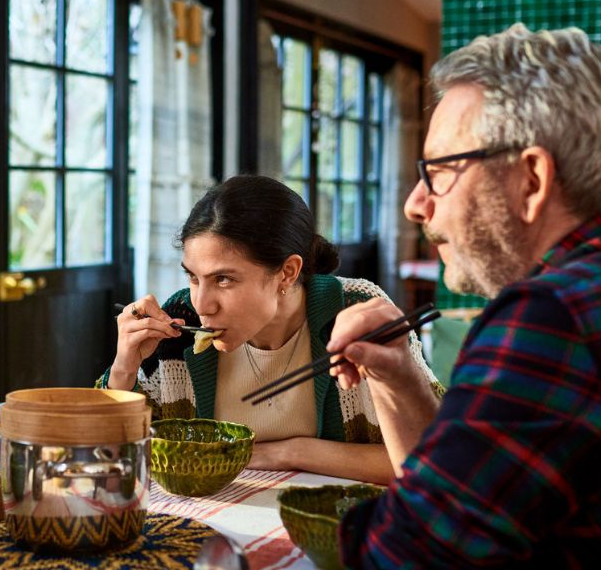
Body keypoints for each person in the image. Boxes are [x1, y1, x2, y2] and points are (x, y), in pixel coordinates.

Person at [329, 24, 601, 570]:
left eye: (440, 171)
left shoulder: (554, 316)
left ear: (530, 179)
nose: (418, 204)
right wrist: (402, 379)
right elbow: (469, 524)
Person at [100, 174, 439, 485]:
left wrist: (292, 451)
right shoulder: (177, 321)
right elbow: (110, 459)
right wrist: (123, 368)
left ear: (287, 273)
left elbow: (433, 461)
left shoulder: (355, 311)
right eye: (193, 277)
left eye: (224, 279)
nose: (203, 304)